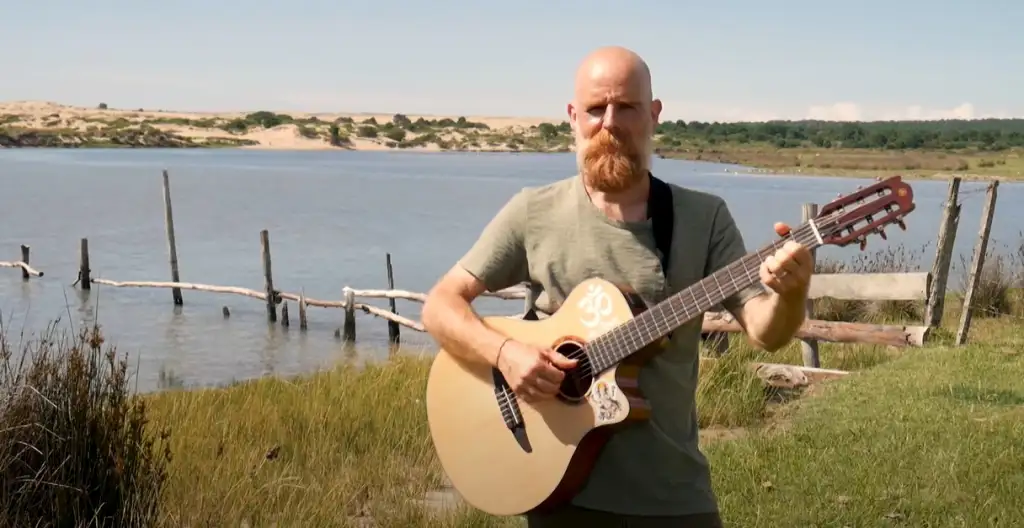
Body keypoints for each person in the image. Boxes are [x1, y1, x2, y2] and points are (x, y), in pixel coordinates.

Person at [421, 46, 814, 528]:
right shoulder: (533, 212)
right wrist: (505, 355)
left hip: (673, 497)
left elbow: (764, 331)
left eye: (626, 107)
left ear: (653, 114)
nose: (610, 122)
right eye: (595, 108)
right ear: (572, 117)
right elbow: (440, 306)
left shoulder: (703, 216)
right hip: (557, 491)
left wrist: (792, 292)